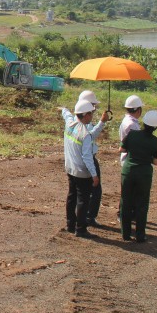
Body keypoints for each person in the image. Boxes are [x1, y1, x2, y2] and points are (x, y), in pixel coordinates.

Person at [61, 99, 106, 238]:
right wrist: (94, 175)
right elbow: (87, 157)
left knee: (71, 196)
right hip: (81, 172)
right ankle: (80, 229)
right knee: (83, 200)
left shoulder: (70, 124)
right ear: (85, 115)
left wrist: (63, 108)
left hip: (70, 168)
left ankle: (70, 224)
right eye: (91, 114)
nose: (92, 116)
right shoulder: (85, 134)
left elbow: (66, 114)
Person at [119, 110, 157, 243]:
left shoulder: (132, 134)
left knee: (125, 201)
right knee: (142, 204)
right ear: (156, 127)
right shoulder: (156, 141)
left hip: (128, 171)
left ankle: (125, 234)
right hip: (144, 174)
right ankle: (140, 235)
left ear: (144, 122)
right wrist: (146, 157)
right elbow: (156, 162)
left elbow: (122, 150)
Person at [76, 90, 109, 227]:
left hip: (79, 160)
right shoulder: (85, 122)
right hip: (88, 158)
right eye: (93, 106)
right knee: (94, 191)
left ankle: (82, 217)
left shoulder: (78, 120)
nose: (95, 109)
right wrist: (102, 123)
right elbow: (90, 138)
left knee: (81, 191)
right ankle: (89, 217)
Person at [118, 95, 144, 223]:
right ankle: (123, 214)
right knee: (129, 190)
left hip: (127, 158)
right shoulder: (132, 125)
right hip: (130, 159)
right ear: (138, 110)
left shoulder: (127, 121)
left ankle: (126, 213)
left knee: (129, 189)